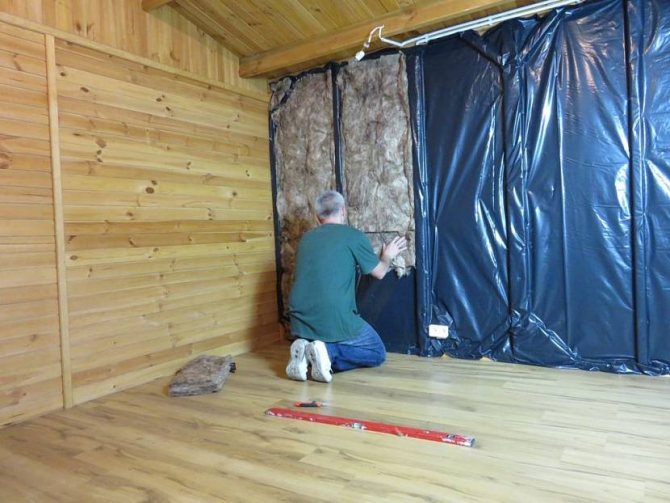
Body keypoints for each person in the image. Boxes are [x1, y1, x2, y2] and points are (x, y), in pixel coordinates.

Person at [286, 190, 407, 383]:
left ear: (318, 216)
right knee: (376, 352)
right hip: (333, 316)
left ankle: (305, 354)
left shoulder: (306, 238)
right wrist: (387, 256)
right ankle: (328, 353)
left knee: (320, 338)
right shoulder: (353, 236)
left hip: (299, 318)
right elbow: (379, 272)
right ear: (343, 211)